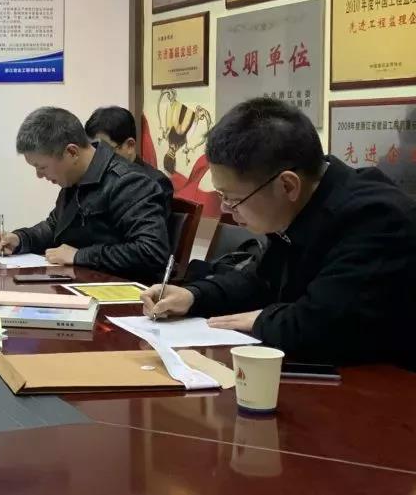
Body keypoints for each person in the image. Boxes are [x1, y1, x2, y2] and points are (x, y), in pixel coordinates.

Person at [141, 97, 416, 368]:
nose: (225, 208)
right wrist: (194, 296)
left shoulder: (376, 218)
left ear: (287, 186)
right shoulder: (304, 202)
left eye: (232, 198)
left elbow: (323, 326)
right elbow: (262, 282)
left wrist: (262, 320)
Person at [0, 107, 169, 282]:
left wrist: (80, 256)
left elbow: (151, 251)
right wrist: (20, 239)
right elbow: (54, 227)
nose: (39, 175)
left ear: (72, 152)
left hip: (120, 290)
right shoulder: (74, 179)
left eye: (42, 167)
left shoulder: (129, 182)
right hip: (79, 282)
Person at [85, 105, 173, 207]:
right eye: (94, 149)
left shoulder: (155, 182)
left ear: (130, 145)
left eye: (103, 150)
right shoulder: (92, 178)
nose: (97, 157)